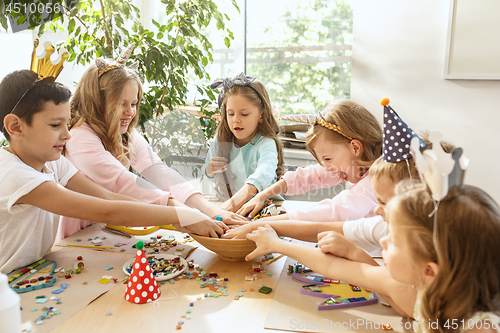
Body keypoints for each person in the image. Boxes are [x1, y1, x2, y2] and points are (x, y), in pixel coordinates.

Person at [0, 70, 226, 274]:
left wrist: (193, 211)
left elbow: (108, 196)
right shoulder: (15, 174)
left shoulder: (53, 162)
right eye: (55, 125)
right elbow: (108, 209)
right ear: (16, 127)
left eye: (66, 124)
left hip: (34, 269)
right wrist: (184, 215)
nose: (67, 135)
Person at [57, 46, 246, 240]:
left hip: (105, 232)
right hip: (76, 237)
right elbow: (125, 184)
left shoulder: (124, 134)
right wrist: (185, 214)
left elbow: (158, 171)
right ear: (97, 102)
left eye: (134, 103)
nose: (130, 112)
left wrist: (208, 209)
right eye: (122, 103)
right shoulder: (79, 138)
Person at [237, 99, 383, 223]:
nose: (326, 167)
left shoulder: (378, 180)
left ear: (356, 148)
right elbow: (307, 177)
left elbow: (336, 211)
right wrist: (263, 195)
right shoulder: (351, 165)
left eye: (328, 159)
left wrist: (268, 222)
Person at [202, 73, 285, 212]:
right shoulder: (220, 138)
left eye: (244, 114)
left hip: (261, 209)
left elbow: (265, 172)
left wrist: (238, 200)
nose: (236, 120)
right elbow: (207, 174)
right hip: (227, 207)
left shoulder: (266, 143)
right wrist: (209, 169)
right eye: (230, 113)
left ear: (261, 115)